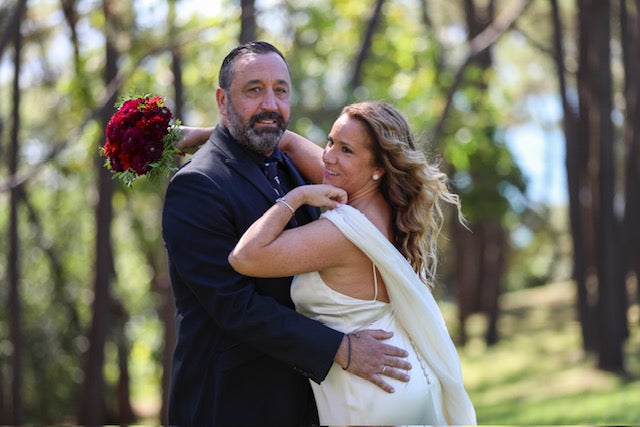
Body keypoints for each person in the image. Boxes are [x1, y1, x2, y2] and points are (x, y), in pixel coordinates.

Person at [161, 41, 411, 426]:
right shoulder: (196, 186)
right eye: (254, 90)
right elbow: (235, 306)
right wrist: (341, 349)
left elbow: (363, 180)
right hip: (230, 402)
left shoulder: (288, 160)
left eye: (280, 90)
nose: (270, 104)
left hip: (303, 396)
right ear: (222, 100)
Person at [226, 101, 477, 425]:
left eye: (346, 150)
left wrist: (297, 197)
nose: (328, 156)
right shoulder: (380, 203)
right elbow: (285, 141)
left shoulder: (342, 232)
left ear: (379, 167)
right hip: (401, 378)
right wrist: (200, 137)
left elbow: (244, 257)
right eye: (330, 141)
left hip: (369, 394)